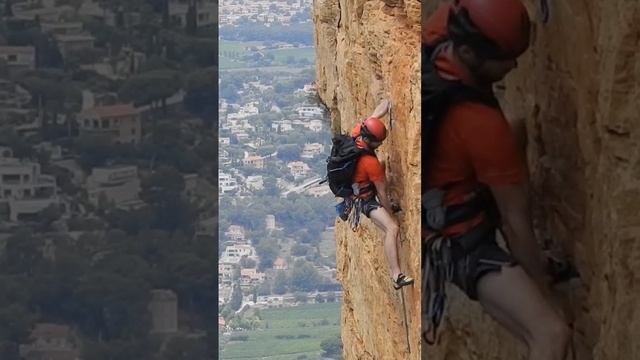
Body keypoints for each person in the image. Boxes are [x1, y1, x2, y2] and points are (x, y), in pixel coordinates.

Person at [422, 1, 570, 359]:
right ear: (472, 52)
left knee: (516, 128)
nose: (514, 65)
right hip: (460, 243)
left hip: (433, 198)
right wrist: (542, 281)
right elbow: (516, 224)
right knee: (551, 333)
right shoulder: (482, 128)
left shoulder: (442, 28)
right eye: (504, 59)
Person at [351, 98, 414, 290]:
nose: (379, 146)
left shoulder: (358, 134)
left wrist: (387, 103)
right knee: (392, 229)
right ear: (371, 142)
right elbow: (382, 194)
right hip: (365, 201)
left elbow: (373, 117)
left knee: (390, 227)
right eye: (378, 143)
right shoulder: (370, 163)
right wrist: (391, 214)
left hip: (355, 191)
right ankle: (396, 276)